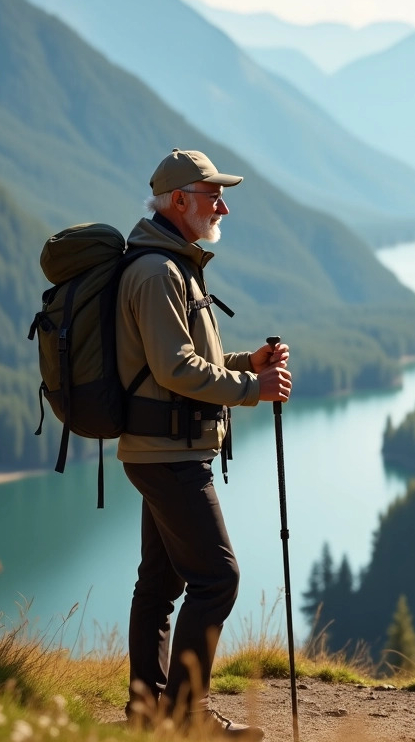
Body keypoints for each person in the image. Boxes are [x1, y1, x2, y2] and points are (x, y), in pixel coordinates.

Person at [116, 148, 291, 739]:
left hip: (164, 446)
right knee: (218, 578)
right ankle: (186, 716)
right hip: (169, 454)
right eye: (212, 193)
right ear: (179, 201)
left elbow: (188, 360)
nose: (223, 204)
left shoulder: (172, 263)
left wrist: (247, 362)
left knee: (161, 584)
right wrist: (252, 387)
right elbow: (173, 369)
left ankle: (147, 710)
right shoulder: (158, 271)